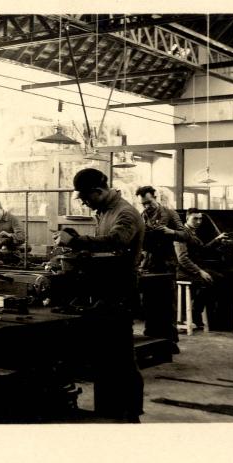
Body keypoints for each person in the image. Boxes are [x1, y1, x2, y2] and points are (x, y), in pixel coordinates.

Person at [53, 168, 145, 423]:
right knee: (106, 357)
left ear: (98, 191)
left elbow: (116, 241)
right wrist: (80, 245)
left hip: (120, 291)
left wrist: (76, 242)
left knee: (122, 358)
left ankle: (130, 415)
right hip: (104, 289)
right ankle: (109, 412)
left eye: (86, 197)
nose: (84, 202)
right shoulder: (103, 211)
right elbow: (102, 245)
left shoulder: (125, 212)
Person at [136, 185, 188, 352]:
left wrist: (169, 231)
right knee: (150, 303)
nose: (146, 207)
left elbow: (185, 235)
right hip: (149, 263)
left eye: (149, 203)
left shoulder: (170, 213)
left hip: (166, 263)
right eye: (143, 204)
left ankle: (169, 341)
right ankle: (151, 338)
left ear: (155, 197)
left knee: (167, 303)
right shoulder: (142, 217)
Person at [174, 208, 230, 329]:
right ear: (187, 218)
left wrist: (217, 240)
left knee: (220, 279)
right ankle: (195, 313)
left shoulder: (192, 233)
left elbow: (202, 250)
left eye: (200, 219)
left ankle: (197, 312)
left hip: (193, 270)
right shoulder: (181, 233)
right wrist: (200, 272)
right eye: (195, 218)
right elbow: (183, 259)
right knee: (212, 280)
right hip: (183, 271)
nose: (199, 221)